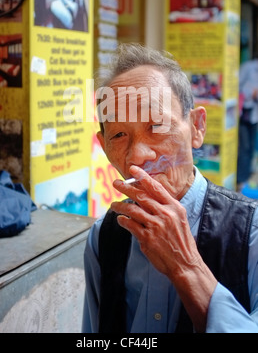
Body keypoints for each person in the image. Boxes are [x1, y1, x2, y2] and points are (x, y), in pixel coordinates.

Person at [82, 43, 258, 333]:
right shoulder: (104, 237)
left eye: (157, 125)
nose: (137, 155)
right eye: (119, 135)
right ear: (104, 146)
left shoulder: (249, 234)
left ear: (197, 127)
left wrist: (186, 266)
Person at [237, 54, 258, 190]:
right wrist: (252, 93)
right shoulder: (249, 67)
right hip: (244, 113)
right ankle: (241, 180)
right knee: (244, 148)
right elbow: (235, 86)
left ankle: (247, 178)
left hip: (255, 114)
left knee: (251, 147)